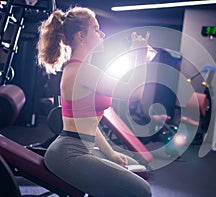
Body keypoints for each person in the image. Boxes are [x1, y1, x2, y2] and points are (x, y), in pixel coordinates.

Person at [37, 6, 152, 197]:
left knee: (134, 166)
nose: (102, 33)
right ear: (82, 36)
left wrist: (111, 153)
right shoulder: (82, 72)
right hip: (69, 153)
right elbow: (135, 93)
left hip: (80, 148)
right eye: (96, 29)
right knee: (142, 191)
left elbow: (89, 124)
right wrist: (140, 56)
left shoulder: (82, 69)